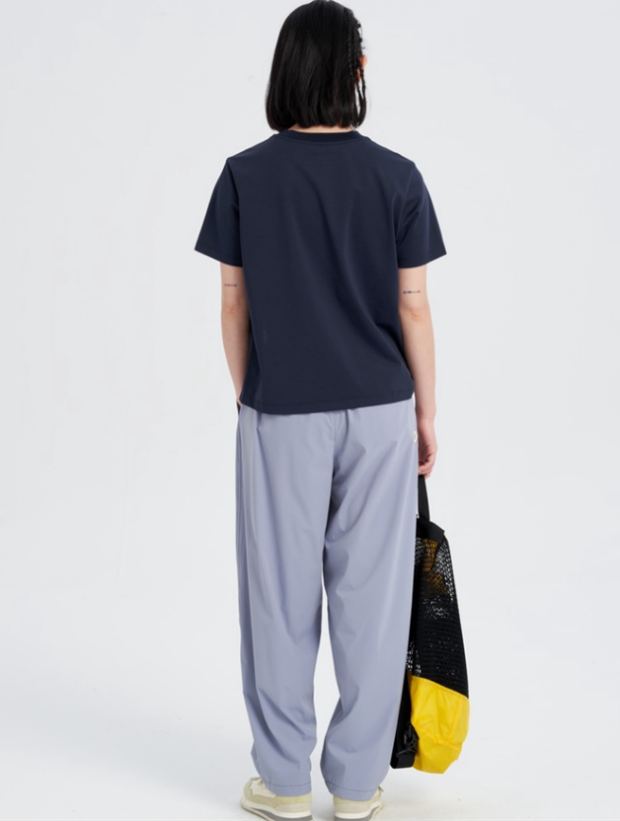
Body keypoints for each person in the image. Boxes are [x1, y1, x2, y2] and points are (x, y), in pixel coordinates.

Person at [194, 2, 446, 818]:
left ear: (286, 68)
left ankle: (285, 781)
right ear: (356, 70)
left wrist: (251, 393)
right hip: (381, 410)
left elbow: (233, 301)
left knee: (278, 595)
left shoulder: (245, 174)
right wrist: (426, 413)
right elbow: (413, 306)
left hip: (282, 410)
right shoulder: (398, 176)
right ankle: (357, 784)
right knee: (374, 600)